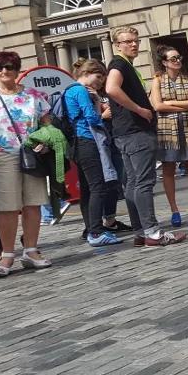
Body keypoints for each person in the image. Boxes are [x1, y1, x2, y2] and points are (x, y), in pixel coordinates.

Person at [105, 27, 186, 246]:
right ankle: (152, 231)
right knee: (143, 182)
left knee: (133, 182)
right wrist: (139, 110)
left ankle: (140, 231)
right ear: (117, 44)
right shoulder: (119, 64)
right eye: (128, 41)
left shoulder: (126, 65)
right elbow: (111, 88)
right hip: (135, 132)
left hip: (126, 133)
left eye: (136, 40)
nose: (133, 44)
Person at [0, 51, 55, 276]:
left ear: (17, 70)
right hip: (1, 155)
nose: (5, 71)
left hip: (31, 153)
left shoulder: (34, 95)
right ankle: (7, 254)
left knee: (33, 203)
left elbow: (47, 123)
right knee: (7, 207)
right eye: (0, 68)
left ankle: (31, 250)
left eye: (10, 67)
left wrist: (45, 140)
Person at [63, 60, 122, 246]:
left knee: (87, 189)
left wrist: (96, 99)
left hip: (77, 143)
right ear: (87, 73)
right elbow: (91, 117)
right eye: (98, 77)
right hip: (88, 140)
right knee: (98, 186)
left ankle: (91, 228)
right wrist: (101, 112)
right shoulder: (80, 91)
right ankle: (96, 232)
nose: (100, 82)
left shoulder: (69, 90)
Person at [149, 46, 188, 227]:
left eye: (179, 57)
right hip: (166, 129)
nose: (178, 60)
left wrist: (170, 102)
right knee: (168, 170)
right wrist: (184, 105)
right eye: (173, 59)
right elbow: (157, 106)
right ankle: (174, 210)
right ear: (164, 62)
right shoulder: (157, 81)